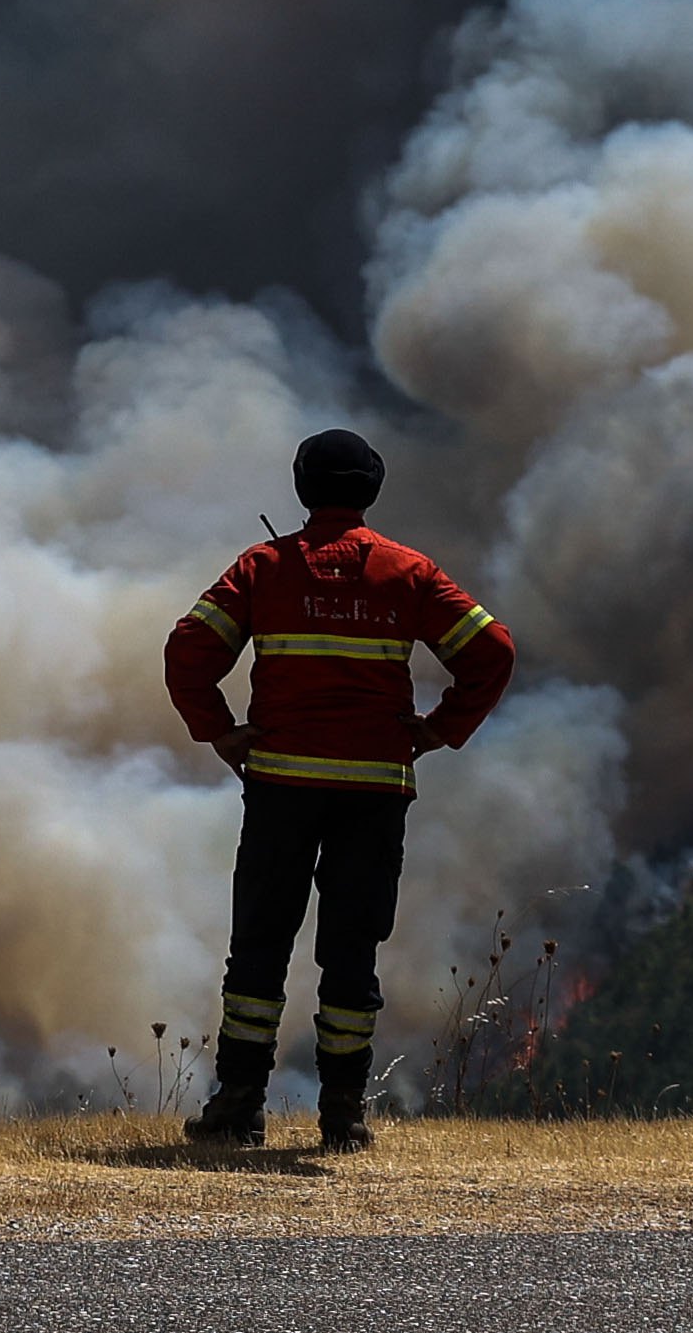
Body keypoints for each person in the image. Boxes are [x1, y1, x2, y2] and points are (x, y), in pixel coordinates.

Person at [163, 428, 517, 1153]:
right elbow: (490, 653)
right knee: (351, 952)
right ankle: (343, 1116)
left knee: (258, 947)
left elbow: (186, 650)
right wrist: (437, 730)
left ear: (301, 487)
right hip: (373, 792)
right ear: (371, 489)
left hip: (280, 788)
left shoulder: (263, 569)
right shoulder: (407, 573)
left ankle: (236, 1107)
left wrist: (220, 732)